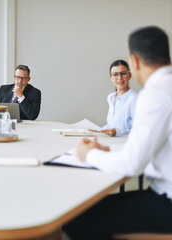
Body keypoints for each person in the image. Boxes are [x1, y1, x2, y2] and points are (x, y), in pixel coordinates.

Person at [63, 26, 172, 239]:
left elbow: (133, 164)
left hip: (166, 200)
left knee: (76, 217)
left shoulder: (155, 93)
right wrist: (110, 152)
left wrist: (91, 155)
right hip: (162, 193)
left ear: (135, 63)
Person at [90, 60, 137, 137]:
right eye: (115, 75)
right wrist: (98, 131)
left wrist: (117, 132)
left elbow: (139, 130)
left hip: (126, 145)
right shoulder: (111, 98)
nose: (119, 78)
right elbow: (112, 125)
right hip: (112, 143)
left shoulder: (134, 99)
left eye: (123, 74)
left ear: (130, 75)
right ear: (111, 77)